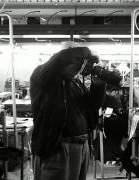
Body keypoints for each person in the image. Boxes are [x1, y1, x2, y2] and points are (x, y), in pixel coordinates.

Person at [30, 43, 106, 180]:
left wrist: (98, 86)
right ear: (63, 60)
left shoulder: (76, 83)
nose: (79, 68)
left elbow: (91, 107)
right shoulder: (43, 77)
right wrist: (86, 52)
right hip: (59, 147)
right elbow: (61, 60)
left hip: (81, 147)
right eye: (78, 63)